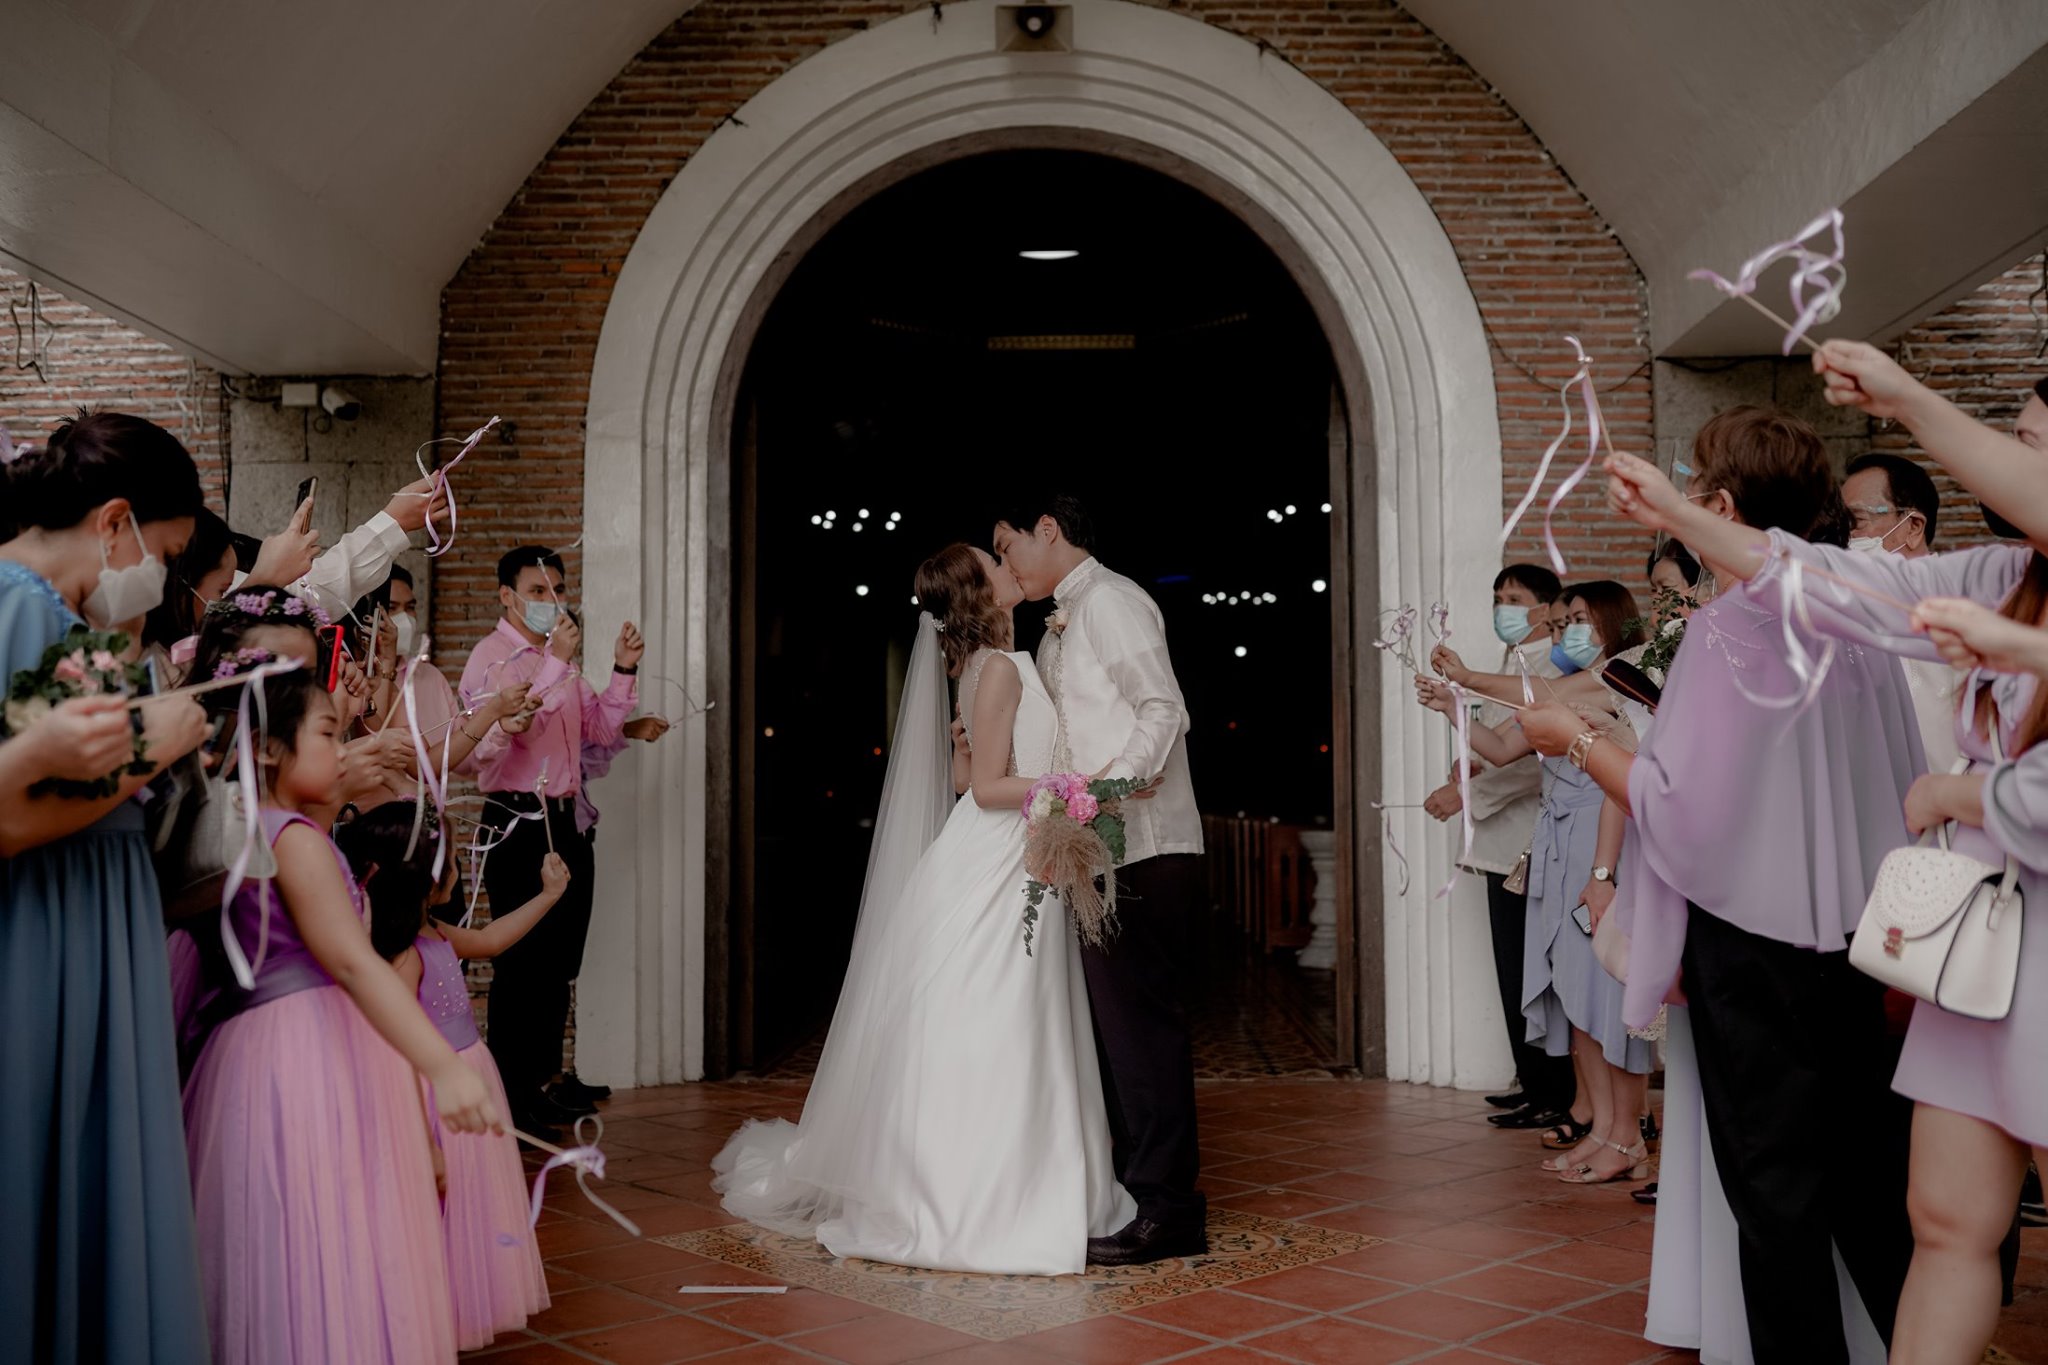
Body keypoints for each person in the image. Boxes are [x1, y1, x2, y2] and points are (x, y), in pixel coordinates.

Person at [1520, 405, 1921, 1361]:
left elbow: (1679, 806)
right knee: (1867, 1178)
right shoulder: (1854, 617)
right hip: (1858, 935)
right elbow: (1898, 777)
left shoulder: (1727, 630)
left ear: (1725, 506)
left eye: (1696, 485)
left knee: (1774, 1190)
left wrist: (1574, 740)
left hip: (1752, 939)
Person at [712, 544, 1134, 1273]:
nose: (1006, 565)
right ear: (980, 592)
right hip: (999, 857)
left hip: (1001, 850)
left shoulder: (980, 667)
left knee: (1001, 1015)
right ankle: (980, 1195)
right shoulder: (999, 668)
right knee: (1002, 1015)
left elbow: (967, 773)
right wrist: (1076, 787)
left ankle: (996, 1179)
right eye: (992, 563)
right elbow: (988, 789)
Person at [180, 664, 498, 1364]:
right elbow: (354, 963)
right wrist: (443, 1067)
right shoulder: (291, 838)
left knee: (299, 1236)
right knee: (324, 1229)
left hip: (290, 1045)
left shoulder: (269, 828)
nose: (344, 747)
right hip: (301, 1051)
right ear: (268, 750)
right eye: (328, 734)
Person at [0, 411, 214, 1364]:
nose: (160, 579)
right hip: (46, 923)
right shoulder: (17, 607)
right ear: (116, 520)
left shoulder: (64, 616)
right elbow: (15, 812)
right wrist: (151, 748)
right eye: (164, 554)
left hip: (89, 916)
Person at [995, 495, 1207, 1266]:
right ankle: (1136, 1190)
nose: (1007, 563)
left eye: (1007, 544)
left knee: (1144, 1033)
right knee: (1119, 1034)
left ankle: (1170, 1209)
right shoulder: (1063, 618)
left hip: (1143, 845)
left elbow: (1164, 709)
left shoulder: (1112, 601)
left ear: (1048, 529)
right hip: (1099, 851)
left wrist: (1107, 792)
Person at [1423, 582, 1653, 1182]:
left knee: (1607, 996)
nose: (1564, 633)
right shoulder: (1568, 686)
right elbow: (1503, 747)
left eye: (1576, 620)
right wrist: (1452, 706)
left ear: (1611, 622)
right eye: (1559, 624)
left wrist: (1466, 677)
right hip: (1557, 846)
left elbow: (1541, 698)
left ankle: (1627, 1134)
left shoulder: (1622, 676)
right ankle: (1603, 1129)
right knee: (1575, 996)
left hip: (1601, 845)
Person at [339, 799, 563, 1351]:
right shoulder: (403, 957)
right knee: (437, 1211)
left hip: (469, 1077)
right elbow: (396, 1047)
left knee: (469, 1210)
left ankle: (457, 1308)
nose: (459, 870)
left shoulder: (435, 932)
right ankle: (427, 1315)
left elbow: (489, 941)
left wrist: (548, 895)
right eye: (452, 861)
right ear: (423, 877)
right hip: (434, 1097)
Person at [459, 546, 638, 1137]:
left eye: (557, 590)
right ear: (507, 596)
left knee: (559, 962)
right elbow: (515, 731)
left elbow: (599, 730)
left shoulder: (557, 659)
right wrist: (557, 662)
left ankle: (540, 1084)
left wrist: (622, 670)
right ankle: (510, 1094)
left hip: (566, 820)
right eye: (538, 591)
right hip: (517, 821)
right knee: (520, 963)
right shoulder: (492, 659)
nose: (552, 601)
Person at [1425, 566, 1575, 1133]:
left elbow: (1536, 763)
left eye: (1514, 598)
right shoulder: (1509, 663)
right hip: (1498, 843)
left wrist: (1468, 794)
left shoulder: (1553, 669)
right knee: (1512, 971)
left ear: (1545, 609)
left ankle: (1554, 1090)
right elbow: (1494, 744)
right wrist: (1465, 764)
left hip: (1528, 840)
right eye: (1496, 598)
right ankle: (1531, 1081)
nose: (1502, 608)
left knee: (1535, 973)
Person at [1842, 452, 1960, 772]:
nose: (1845, 537)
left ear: (1913, 527)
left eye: (1856, 522)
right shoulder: (1849, 609)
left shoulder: (1960, 611)